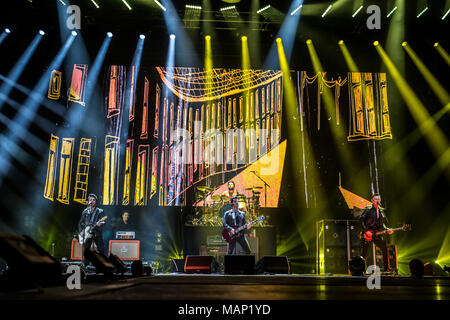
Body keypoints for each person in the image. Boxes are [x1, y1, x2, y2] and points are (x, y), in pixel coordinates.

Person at [360, 193, 393, 272]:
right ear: (372, 200)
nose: (377, 200)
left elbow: (382, 224)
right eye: (375, 199)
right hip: (368, 233)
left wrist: (387, 229)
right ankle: (360, 269)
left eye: (378, 199)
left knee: (384, 248)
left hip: (376, 234)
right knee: (364, 252)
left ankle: (386, 268)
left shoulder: (381, 211)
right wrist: (366, 231)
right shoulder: (368, 209)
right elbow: (361, 219)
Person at [78, 193, 106, 266]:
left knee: (101, 249)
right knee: (86, 250)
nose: (92, 201)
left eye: (94, 200)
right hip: (87, 233)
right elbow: (80, 223)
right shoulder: (85, 211)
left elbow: (103, 221)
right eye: (91, 200)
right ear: (88, 201)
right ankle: (86, 265)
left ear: (96, 201)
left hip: (96, 232)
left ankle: (102, 264)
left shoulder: (100, 211)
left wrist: (101, 223)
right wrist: (81, 231)